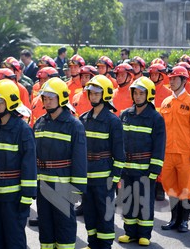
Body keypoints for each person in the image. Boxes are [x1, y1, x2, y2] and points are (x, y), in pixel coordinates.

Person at [0, 80, 36, 249]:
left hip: (14, 197)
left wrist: (27, 197)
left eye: (0, 102)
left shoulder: (23, 129)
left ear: (10, 102)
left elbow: (29, 165)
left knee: (14, 241)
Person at [33, 77, 87, 249]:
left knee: (64, 225)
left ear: (62, 98)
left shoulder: (74, 125)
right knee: (45, 224)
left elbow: (79, 159)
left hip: (64, 183)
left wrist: (77, 189)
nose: (47, 102)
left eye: (51, 98)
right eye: (45, 99)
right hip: (43, 183)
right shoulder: (40, 123)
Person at [118, 77, 166, 246]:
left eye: (141, 93)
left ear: (149, 95)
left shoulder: (155, 118)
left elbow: (159, 146)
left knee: (144, 202)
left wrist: (155, 169)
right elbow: (119, 142)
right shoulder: (125, 115)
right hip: (127, 168)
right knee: (128, 201)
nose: (137, 97)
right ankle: (129, 232)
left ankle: (144, 234)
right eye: (135, 93)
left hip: (145, 169)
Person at [80, 75, 125, 249]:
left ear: (105, 95)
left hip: (104, 178)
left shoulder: (113, 121)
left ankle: (105, 246)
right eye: (90, 93)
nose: (92, 96)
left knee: (105, 214)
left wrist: (114, 178)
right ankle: (92, 244)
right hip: (86, 176)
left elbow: (119, 154)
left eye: (96, 93)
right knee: (89, 213)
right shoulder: (83, 119)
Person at [160, 66, 190, 233]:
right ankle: (174, 219)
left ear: (184, 81)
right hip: (167, 153)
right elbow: (161, 130)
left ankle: (184, 221)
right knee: (170, 187)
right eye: (170, 78)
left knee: (185, 188)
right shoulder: (166, 102)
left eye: (175, 78)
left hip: (185, 154)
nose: (171, 81)